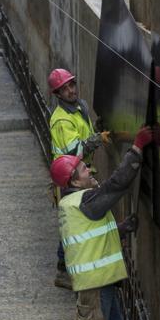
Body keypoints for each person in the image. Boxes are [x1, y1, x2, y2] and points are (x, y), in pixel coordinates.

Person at [51, 126, 154, 320]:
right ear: (73, 180)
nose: (89, 170)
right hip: (94, 286)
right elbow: (117, 184)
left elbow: (92, 235)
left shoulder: (78, 203)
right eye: (84, 169)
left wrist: (121, 229)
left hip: (102, 283)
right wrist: (136, 148)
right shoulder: (85, 200)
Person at [48, 68, 109, 289]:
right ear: (57, 94)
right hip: (69, 177)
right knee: (72, 224)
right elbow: (75, 151)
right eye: (65, 89)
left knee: (76, 222)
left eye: (71, 85)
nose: (70, 90)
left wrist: (97, 129)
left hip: (81, 172)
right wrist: (97, 139)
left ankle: (69, 266)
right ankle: (63, 270)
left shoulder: (79, 106)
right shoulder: (61, 120)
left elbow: (85, 132)